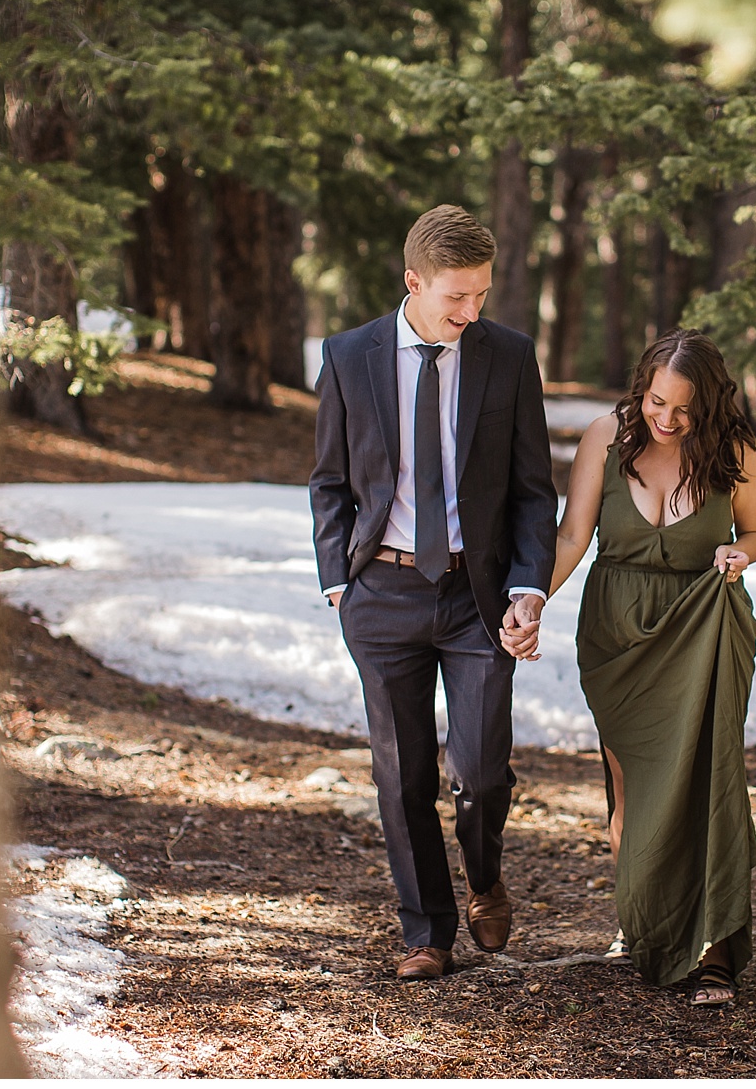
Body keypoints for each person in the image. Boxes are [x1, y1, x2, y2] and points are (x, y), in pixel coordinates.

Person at [310, 204, 558, 981]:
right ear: (413, 280)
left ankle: (483, 874)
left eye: (482, 294)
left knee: (482, 768)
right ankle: (427, 931)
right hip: (379, 592)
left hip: (476, 596)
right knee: (402, 773)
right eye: (456, 296)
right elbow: (328, 478)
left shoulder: (508, 357)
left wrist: (529, 587)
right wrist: (335, 583)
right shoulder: (349, 356)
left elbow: (531, 489)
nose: (470, 311)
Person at [500, 328, 756, 1007]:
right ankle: (644, 924)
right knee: (631, 787)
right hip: (617, 638)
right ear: (641, 387)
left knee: (707, 777)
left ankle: (711, 947)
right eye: (657, 401)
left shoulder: (733, 453)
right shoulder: (605, 438)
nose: (668, 419)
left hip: (700, 631)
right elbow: (571, 535)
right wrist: (532, 601)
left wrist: (742, 556)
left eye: (683, 409)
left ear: (707, 405)